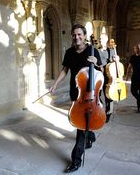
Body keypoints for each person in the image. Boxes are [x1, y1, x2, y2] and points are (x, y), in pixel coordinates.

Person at [49, 24, 102, 173]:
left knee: (80, 126)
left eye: (79, 34)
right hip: (76, 93)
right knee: (79, 120)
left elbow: (102, 71)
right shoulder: (69, 53)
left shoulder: (93, 51)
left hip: (91, 93)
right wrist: (55, 84)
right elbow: (65, 69)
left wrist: (96, 63)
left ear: (85, 36)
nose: (77, 37)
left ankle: (76, 160)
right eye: (74, 35)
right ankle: (90, 134)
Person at [125, 44, 140, 113]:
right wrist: (127, 76)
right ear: (134, 49)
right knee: (133, 91)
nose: (137, 50)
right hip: (134, 76)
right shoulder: (132, 57)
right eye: (135, 48)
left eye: (138, 48)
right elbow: (129, 67)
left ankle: (139, 107)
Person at [98, 37, 114, 122]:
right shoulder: (96, 51)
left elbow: (114, 62)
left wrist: (116, 59)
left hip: (108, 76)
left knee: (108, 95)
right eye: (100, 39)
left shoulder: (110, 51)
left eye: (103, 39)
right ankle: (99, 109)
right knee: (97, 95)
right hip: (99, 76)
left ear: (106, 40)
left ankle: (108, 113)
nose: (101, 40)